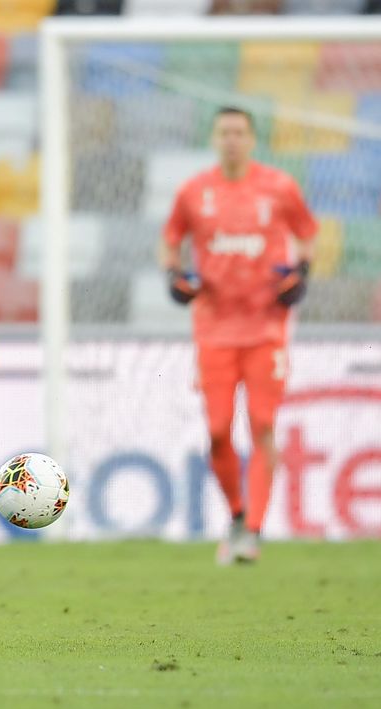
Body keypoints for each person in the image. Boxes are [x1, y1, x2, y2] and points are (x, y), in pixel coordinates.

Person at [161, 106, 317, 565]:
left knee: (264, 425)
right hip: (214, 329)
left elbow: (307, 234)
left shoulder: (279, 187)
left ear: (251, 139)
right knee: (216, 430)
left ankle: (252, 530)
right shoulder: (194, 192)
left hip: (267, 327)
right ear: (215, 138)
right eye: (224, 132)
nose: (232, 139)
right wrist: (173, 274)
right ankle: (234, 514)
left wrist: (302, 272)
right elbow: (171, 238)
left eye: (239, 132)